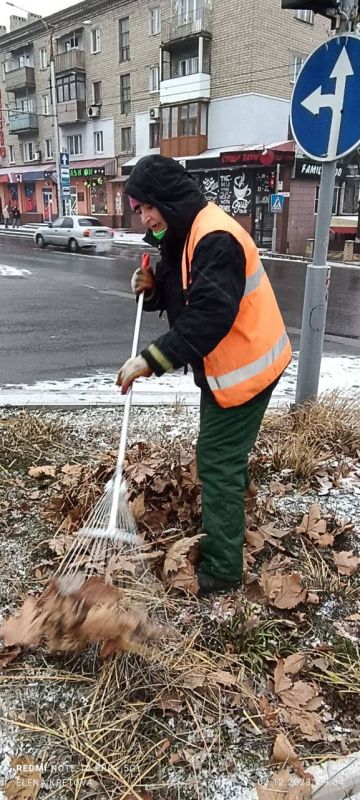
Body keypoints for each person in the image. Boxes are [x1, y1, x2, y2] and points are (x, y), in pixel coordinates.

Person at [117, 155, 292, 597]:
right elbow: (186, 290)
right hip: (227, 365)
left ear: (168, 200)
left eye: (146, 207)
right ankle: (237, 510)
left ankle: (222, 570)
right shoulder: (186, 231)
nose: (145, 217)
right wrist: (155, 289)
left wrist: (152, 359)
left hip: (246, 367)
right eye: (138, 210)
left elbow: (211, 314)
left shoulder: (216, 236)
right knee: (224, 455)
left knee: (216, 459)